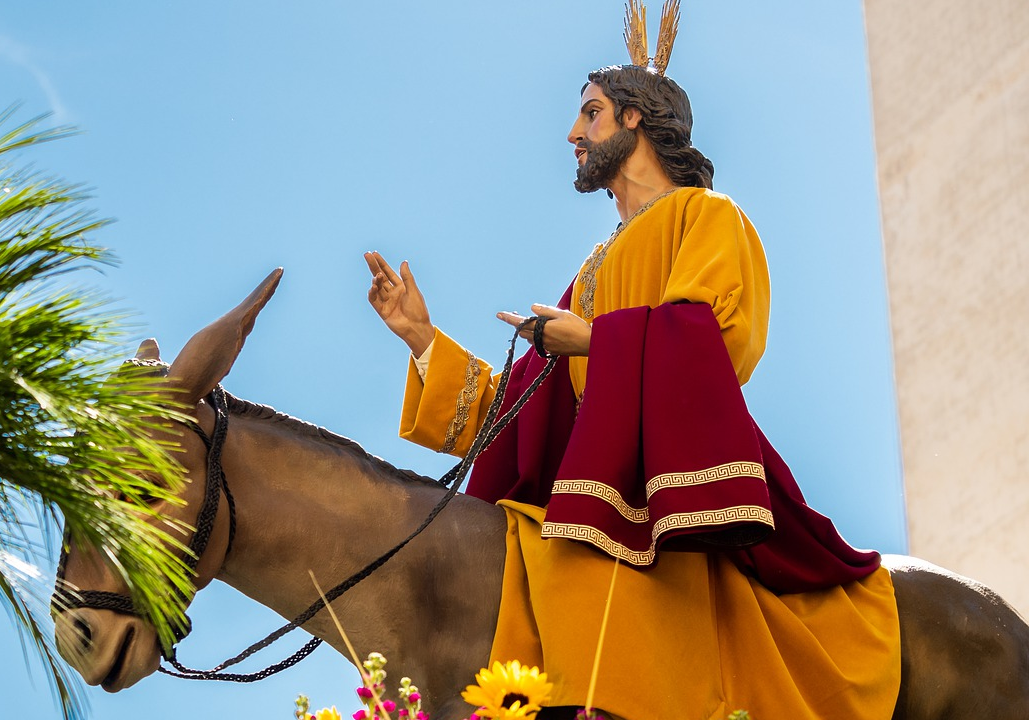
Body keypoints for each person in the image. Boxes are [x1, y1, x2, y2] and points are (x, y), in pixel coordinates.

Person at [363, 4, 901, 719]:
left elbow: (715, 339)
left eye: (590, 115)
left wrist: (594, 341)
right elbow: (517, 413)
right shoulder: (590, 272)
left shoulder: (705, 217)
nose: (572, 134)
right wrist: (422, 339)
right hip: (588, 491)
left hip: (664, 491)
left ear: (635, 120)